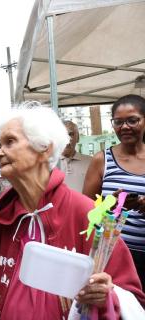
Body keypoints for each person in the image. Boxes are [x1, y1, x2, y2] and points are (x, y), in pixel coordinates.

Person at [0, 105, 145, 319]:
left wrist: (107, 296)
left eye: (9, 142)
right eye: (0, 144)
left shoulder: (86, 214)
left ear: (44, 148)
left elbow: (132, 299)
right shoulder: (2, 218)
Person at [83, 94, 145, 288]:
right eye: (118, 122)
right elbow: (85, 212)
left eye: (132, 120)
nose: (124, 127)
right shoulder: (102, 160)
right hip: (110, 255)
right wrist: (111, 203)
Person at [59, 120, 92, 192]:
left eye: (71, 134)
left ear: (78, 138)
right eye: (62, 134)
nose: (67, 139)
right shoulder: (49, 164)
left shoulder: (90, 162)